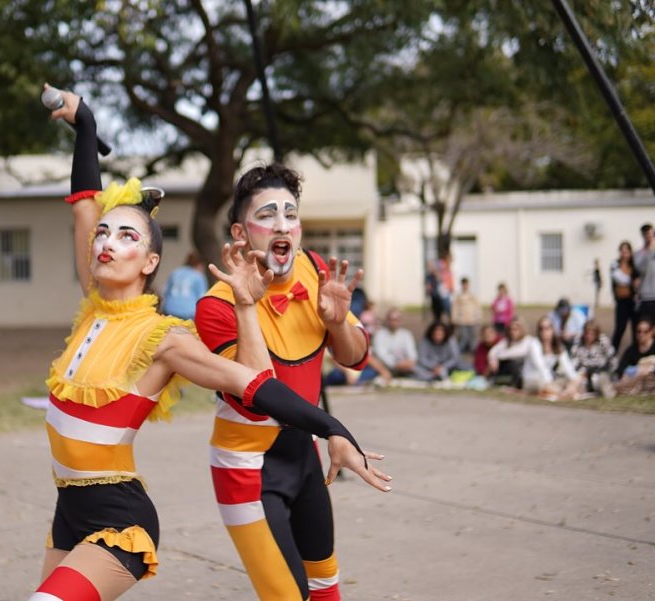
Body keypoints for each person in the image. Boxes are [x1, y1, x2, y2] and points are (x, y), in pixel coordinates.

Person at [31, 88, 390, 601]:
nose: (107, 242)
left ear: (151, 262)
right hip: (75, 508)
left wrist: (333, 427)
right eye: (103, 236)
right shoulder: (98, 302)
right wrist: (85, 126)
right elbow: (84, 207)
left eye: (127, 237)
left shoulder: (164, 338)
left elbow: (255, 385)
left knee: (320, 587)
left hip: (124, 518)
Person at [194, 161, 387, 601]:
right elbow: (258, 395)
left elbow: (355, 358)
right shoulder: (215, 305)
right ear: (240, 235)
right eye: (266, 216)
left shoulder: (314, 269)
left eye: (291, 214)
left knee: (324, 588)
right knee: (288, 596)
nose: (282, 225)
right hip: (247, 467)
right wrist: (247, 306)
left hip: (304, 454)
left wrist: (337, 324)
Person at [522, 316, 581, 400]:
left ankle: (564, 393)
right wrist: (550, 383)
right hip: (533, 380)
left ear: (553, 329)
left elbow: (568, 367)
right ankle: (564, 394)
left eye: (547, 328)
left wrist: (574, 380)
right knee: (543, 384)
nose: (544, 331)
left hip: (549, 380)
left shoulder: (558, 346)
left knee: (575, 379)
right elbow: (541, 367)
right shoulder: (534, 344)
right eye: (541, 328)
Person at [571, 320, 617, 395]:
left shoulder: (602, 342)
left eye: (592, 334)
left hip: (600, 372)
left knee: (603, 381)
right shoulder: (579, 343)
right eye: (587, 333)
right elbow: (574, 360)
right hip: (584, 374)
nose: (588, 336)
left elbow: (613, 359)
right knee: (576, 384)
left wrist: (611, 372)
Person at [160, 251, 208, 320]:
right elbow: (202, 299)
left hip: (169, 310)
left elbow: (164, 291)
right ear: (199, 265)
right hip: (188, 313)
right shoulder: (198, 276)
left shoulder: (175, 272)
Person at [634, 224, 655, 329]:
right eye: (646, 234)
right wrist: (650, 252)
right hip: (648, 298)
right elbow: (642, 269)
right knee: (650, 330)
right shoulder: (638, 254)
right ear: (642, 235)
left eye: (651, 234)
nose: (649, 237)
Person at [486, 316, 532, 388]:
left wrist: (499, 356)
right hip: (504, 369)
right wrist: (493, 360)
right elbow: (492, 351)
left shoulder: (528, 340)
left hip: (521, 370)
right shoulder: (506, 341)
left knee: (514, 364)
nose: (512, 332)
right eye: (511, 329)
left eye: (515, 329)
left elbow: (519, 352)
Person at [372, 307, 418, 378]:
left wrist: (408, 363)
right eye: (391, 319)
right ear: (387, 320)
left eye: (396, 319)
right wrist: (395, 365)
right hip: (385, 367)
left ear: (400, 321)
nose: (394, 322)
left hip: (405, 367)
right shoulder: (379, 334)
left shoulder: (406, 334)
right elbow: (381, 354)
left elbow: (412, 354)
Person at [610, 241, 638, 352]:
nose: (624, 254)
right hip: (621, 301)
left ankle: (636, 354)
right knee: (620, 328)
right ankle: (612, 353)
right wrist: (632, 281)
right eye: (622, 251)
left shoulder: (634, 265)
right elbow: (620, 279)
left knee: (635, 329)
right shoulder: (615, 264)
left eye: (626, 252)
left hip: (633, 301)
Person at [451, 276, 481, 353]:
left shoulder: (473, 295)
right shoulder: (458, 296)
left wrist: (479, 317)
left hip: (472, 319)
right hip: (462, 320)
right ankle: (462, 349)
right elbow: (455, 308)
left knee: (473, 336)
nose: (465, 286)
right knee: (463, 336)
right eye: (463, 284)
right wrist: (454, 318)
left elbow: (477, 307)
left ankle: (473, 349)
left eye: (466, 284)